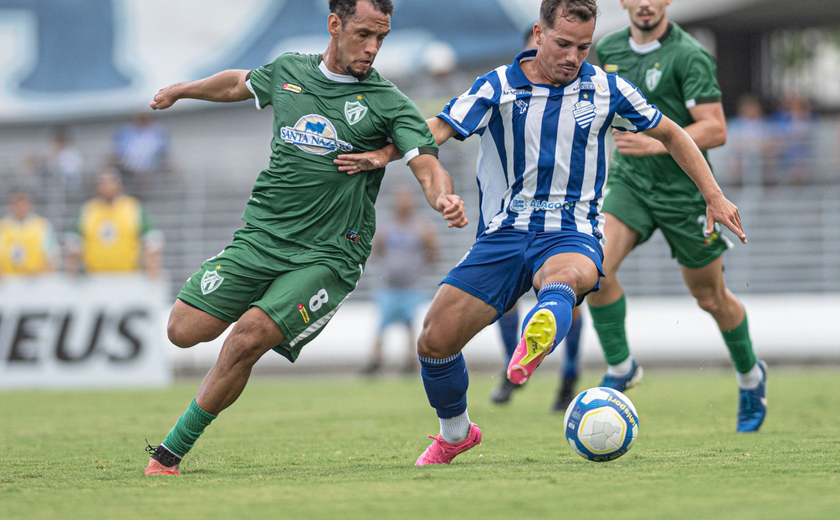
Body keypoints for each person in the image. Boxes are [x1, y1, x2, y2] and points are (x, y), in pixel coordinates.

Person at [337, 0, 746, 465]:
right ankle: (456, 433)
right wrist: (384, 154)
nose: (573, 57)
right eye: (564, 44)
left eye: (584, 47)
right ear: (539, 33)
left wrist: (713, 194)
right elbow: (438, 127)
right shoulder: (498, 85)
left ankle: (545, 321)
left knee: (567, 277)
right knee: (434, 340)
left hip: (571, 232)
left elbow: (673, 133)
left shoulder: (607, 88)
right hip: (504, 235)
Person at [143, 0, 468, 476]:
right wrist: (181, 90)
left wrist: (443, 198)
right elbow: (237, 82)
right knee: (182, 330)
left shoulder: (387, 101)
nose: (373, 48)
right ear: (335, 25)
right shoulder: (290, 72)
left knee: (247, 337)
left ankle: (169, 454)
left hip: (330, 253)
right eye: (364, 34)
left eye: (382, 37)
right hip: (262, 237)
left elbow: (425, 160)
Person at [588, 0, 766, 433]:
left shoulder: (689, 55)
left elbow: (716, 128)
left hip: (685, 194)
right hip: (630, 185)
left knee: (710, 298)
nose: (646, 3)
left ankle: (750, 376)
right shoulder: (608, 48)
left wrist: (655, 143)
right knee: (593, 270)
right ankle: (621, 365)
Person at [489, 25, 585, 412]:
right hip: (512, 217)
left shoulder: (584, 93)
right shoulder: (508, 90)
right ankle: (514, 366)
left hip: (567, 219)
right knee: (506, 302)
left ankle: (569, 377)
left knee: (567, 296)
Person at [362, 188, 438, 375]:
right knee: (381, 325)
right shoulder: (388, 227)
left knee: (410, 325)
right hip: (390, 286)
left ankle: (411, 362)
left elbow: (434, 253)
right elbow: (377, 250)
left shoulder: (421, 227)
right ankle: (376, 360)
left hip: (411, 286)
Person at [65, 171, 163, 277]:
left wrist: (152, 266)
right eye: (102, 183)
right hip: (94, 278)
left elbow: (152, 239)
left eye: (110, 182)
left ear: (119, 184)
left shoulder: (133, 208)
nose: (106, 186)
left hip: (127, 277)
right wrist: (72, 268)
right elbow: (73, 241)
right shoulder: (89, 209)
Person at [0, 189, 58, 277]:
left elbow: (51, 256)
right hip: (8, 282)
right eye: (17, 203)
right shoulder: (3, 226)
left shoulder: (42, 225)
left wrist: (44, 277)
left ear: (30, 204)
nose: (20, 207)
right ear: (11, 205)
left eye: (23, 203)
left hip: (35, 282)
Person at [111, 112, 169, 194]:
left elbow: (163, 151)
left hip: (151, 165)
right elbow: (117, 149)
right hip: (127, 165)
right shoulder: (125, 131)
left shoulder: (158, 131)